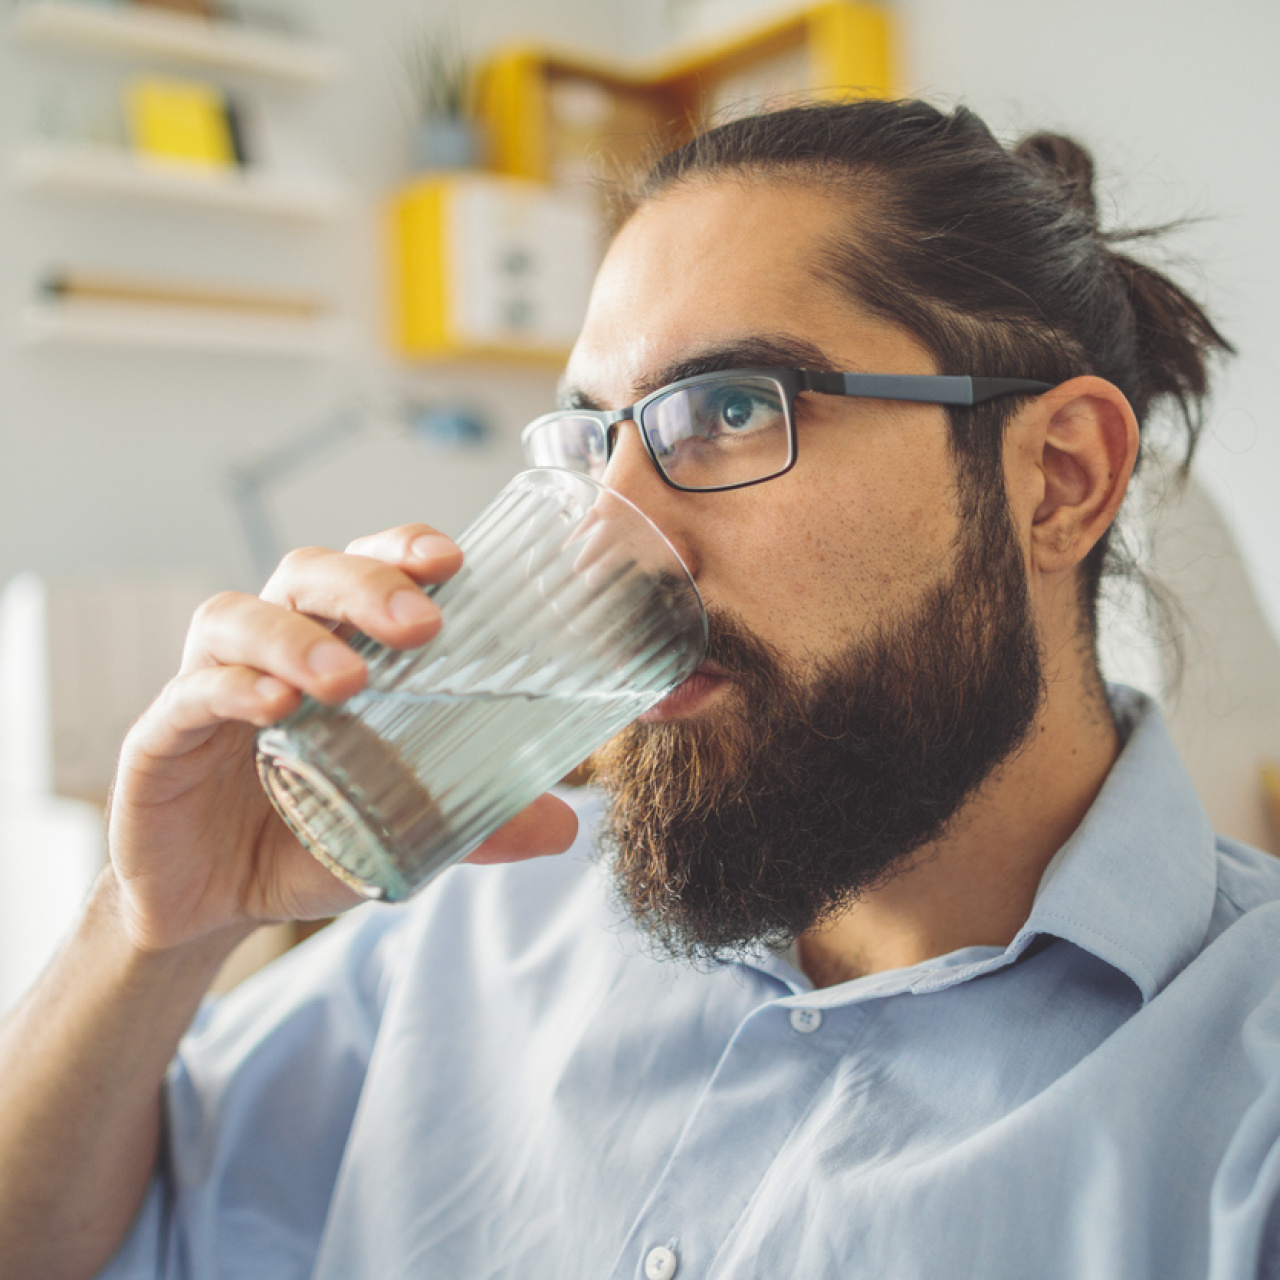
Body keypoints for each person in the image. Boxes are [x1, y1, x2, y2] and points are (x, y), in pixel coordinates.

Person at [2, 98, 1277, 1280]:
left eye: (726, 409)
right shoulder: (494, 915)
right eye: (593, 440)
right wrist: (156, 926)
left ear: (1057, 477)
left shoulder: (1242, 1102)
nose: (600, 546)